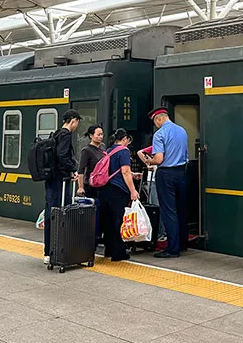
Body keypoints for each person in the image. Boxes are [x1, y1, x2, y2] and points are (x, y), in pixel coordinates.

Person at [141, 107, 188, 258]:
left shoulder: (160, 134)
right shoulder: (182, 131)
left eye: (155, 122)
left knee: (169, 211)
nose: (156, 125)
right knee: (181, 209)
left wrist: (150, 161)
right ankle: (182, 244)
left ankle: (172, 248)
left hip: (166, 173)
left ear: (158, 119)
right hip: (181, 172)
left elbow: (159, 159)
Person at [43, 109, 82, 265]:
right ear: (72, 120)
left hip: (52, 180)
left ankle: (49, 251)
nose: (77, 126)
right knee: (60, 213)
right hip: (60, 181)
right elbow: (62, 156)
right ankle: (57, 251)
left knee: (51, 213)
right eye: (77, 122)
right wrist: (73, 169)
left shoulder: (56, 134)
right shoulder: (65, 135)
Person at [100, 128, 139, 262]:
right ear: (124, 139)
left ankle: (109, 249)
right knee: (119, 220)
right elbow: (125, 171)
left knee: (108, 220)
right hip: (118, 190)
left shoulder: (109, 151)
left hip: (105, 189)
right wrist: (133, 190)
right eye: (128, 140)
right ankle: (119, 253)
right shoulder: (123, 151)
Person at [77, 124, 106, 243]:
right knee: (93, 212)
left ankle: (99, 235)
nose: (100, 137)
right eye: (98, 134)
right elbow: (81, 170)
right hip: (90, 186)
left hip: (102, 184)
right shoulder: (87, 151)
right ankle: (91, 236)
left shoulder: (103, 147)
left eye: (101, 134)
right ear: (91, 136)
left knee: (102, 210)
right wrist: (80, 187)